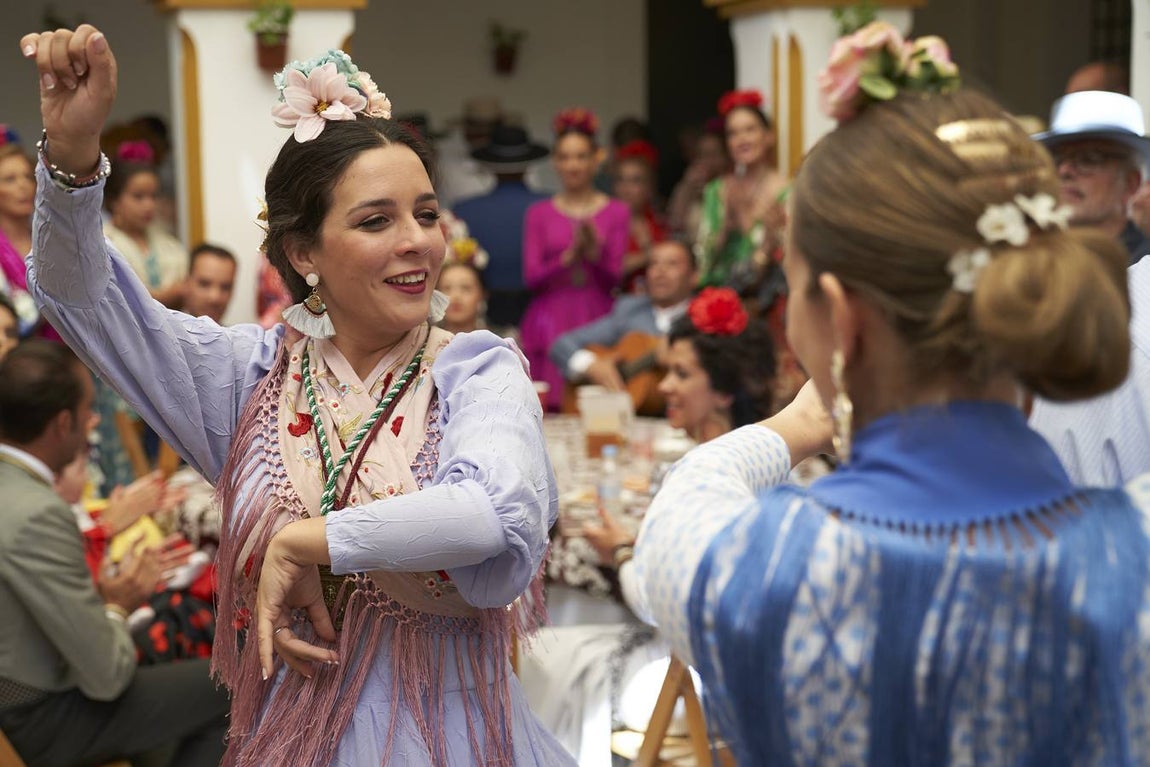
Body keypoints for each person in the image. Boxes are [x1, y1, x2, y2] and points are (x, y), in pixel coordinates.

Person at [22, 28, 572, 767]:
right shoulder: (249, 380)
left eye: (427, 213)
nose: (418, 241)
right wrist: (74, 157)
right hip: (293, 739)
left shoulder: (477, 372)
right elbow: (80, 299)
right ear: (305, 252)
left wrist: (307, 539)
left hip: (450, 742)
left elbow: (490, 513)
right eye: (377, 220)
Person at [633, 23, 1149, 765]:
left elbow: (685, 500)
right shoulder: (1135, 548)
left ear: (842, 319)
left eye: (798, 289)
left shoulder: (759, 567)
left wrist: (799, 421)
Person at [519, 288, 774, 766]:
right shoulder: (757, 460)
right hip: (720, 662)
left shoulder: (709, 475)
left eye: (681, 373)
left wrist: (620, 552)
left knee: (533, 655)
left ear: (722, 389)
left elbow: (661, 600)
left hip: (703, 678)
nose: (666, 385)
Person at [0, 341, 229, 766]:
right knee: (230, 692)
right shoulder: (37, 512)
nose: (94, 420)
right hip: (35, 714)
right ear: (62, 423)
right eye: (89, 410)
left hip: (27, 685)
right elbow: (107, 676)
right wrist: (118, 606)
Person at [520, 107, 630, 411]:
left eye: (581, 156)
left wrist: (594, 254)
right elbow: (531, 278)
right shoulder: (538, 213)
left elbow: (615, 277)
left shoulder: (617, 211)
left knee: (600, 404)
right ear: (555, 162)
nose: (573, 165)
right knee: (550, 410)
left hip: (599, 316)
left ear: (598, 158)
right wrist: (568, 258)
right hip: (550, 318)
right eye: (565, 157)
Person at [549, 238, 696, 405]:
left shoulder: (702, 318)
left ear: (694, 276)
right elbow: (561, 345)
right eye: (654, 264)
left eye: (672, 264)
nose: (660, 271)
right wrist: (592, 366)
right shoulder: (630, 310)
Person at [1034, 89, 1150, 264]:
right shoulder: (1033, 257)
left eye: (1088, 159)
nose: (1064, 171)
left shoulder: (1144, 267)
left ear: (1131, 183)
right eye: (1057, 160)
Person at [452, 124, 549, 328]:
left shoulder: (464, 210)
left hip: (485, 313)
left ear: (489, 164)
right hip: (542, 312)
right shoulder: (551, 206)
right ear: (529, 163)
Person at [694, 89, 787, 291]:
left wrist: (771, 238)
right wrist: (725, 226)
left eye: (750, 130)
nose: (741, 139)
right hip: (720, 294)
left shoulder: (787, 191)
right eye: (733, 133)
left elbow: (791, 260)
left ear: (768, 137)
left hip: (769, 296)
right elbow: (704, 261)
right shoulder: (717, 190)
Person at [102, 141, 188, 309]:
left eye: (153, 196)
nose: (149, 206)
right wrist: (166, 296)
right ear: (114, 200)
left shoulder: (167, 242)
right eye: (138, 197)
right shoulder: (103, 242)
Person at [0, 139, 51, 339]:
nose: (23, 186)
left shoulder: (51, 238)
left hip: (70, 351)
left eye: (28, 177)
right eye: (10, 179)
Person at [613, 139, 667, 292]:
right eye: (621, 180)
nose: (626, 189)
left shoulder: (659, 222)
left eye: (635, 181)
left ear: (649, 187)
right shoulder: (605, 222)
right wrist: (646, 256)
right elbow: (607, 269)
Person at [184, 242, 237, 323]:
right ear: (186, 283)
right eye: (204, 284)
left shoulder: (236, 335)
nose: (214, 298)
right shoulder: (164, 333)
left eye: (225, 288)